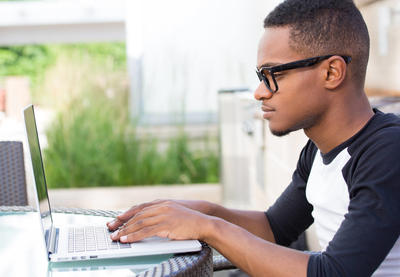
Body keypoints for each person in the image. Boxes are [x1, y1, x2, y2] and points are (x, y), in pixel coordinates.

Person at [107, 0, 400, 275]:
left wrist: (208, 227)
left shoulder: (387, 151)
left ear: (331, 72)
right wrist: (200, 210)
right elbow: (275, 228)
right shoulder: (318, 149)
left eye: (274, 74)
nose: (260, 91)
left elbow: (334, 272)